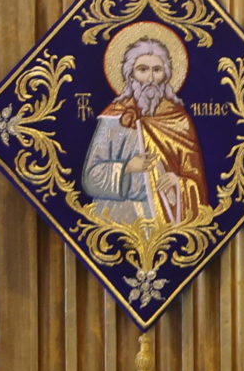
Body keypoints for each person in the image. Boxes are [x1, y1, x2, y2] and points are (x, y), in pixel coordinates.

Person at [82, 30, 210, 225]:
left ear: (166, 76)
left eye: (157, 70)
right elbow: (90, 178)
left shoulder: (178, 120)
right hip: (118, 220)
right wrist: (127, 168)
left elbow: (195, 179)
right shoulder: (114, 118)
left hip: (164, 221)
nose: (150, 78)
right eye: (143, 70)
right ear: (130, 76)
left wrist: (178, 182)